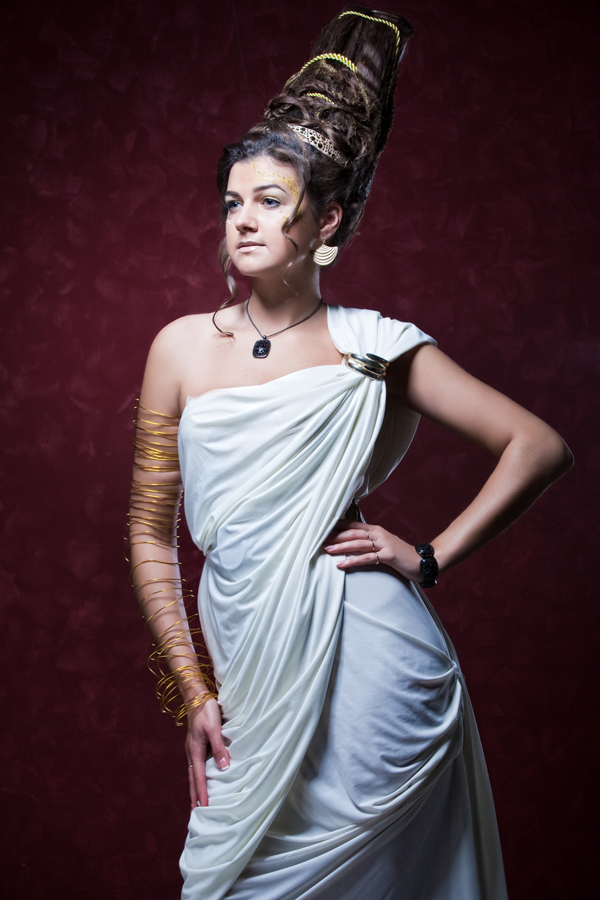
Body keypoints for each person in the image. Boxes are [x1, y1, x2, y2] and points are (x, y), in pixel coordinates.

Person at [128, 7, 572, 899]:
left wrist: (429, 556)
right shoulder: (178, 347)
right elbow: (148, 534)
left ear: (327, 219)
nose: (241, 221)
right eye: (232, 202)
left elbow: (538, 445)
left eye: (269, 201)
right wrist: (194, 692)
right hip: (247, 661)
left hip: (370, 663)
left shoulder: (376, 346)